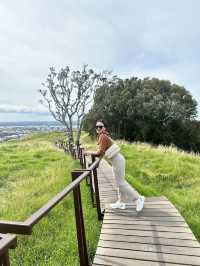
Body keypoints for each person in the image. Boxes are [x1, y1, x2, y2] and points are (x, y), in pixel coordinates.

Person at [84, 120, 145, 211]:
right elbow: (102, 152)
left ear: (104, 128)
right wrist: (98, 161)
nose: (98, 128)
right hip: (116, 160)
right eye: (97, 127)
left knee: (120, 183)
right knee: (119, 182)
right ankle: (121, 202)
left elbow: (100, 152)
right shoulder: (103, 136)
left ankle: (138, 198)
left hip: (117, 160)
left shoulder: (103, 136)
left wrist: (88, 152)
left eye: (100, 126)